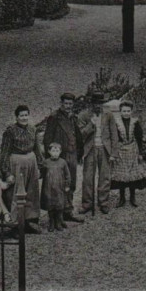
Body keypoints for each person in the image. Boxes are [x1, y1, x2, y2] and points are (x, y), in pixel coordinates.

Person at [0, 105, 44, 234]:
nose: (24, 118)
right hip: (16, 162)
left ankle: (29, 221)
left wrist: (40, 165)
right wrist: (6, 172)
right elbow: (5, 152)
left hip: (31, 161)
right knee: (17, 193)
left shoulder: (32, 129)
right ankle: (15, 224)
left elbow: (37, 148)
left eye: (26, 115)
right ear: (17, 117)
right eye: (21, 115)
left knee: (32, 191)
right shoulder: (10, 131)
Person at [43, 92, 85, 223]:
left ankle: (68, 210)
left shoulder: (73, 117)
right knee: (57, 185)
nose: (68, 106)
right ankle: (56, 214)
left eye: (70, 104)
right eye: (65, 103)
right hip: (60, 156)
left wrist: (79, 152)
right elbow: (47, 139)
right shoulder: (54, 117)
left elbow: (77, 136)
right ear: (61, 103)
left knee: (71, 183)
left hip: (72, 154)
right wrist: (49, 158)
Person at [78, 91, 117, 215]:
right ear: (91, 103)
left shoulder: (109, 115)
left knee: (104, 177)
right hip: (90, 150)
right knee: (88, 178)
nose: (98, 106)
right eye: (95, 103)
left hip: (105, 149)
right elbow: (80, 135)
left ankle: (103, 202)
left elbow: (114, 135)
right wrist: (91, 124)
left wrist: (113, 153)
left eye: (100, 103)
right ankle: (87, 204)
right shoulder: (84, 115)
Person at [111, 101, 146, 208]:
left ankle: (132, 197)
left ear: (131, 112)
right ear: (120, 112)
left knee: (132, 174)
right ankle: (122, 197)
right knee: (121, 175)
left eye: (128, 111)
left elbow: (139, 138)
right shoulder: (116, 122)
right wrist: (114, 152)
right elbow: (114, 138)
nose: (126, 113)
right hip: (120, 150)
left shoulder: (135, 122)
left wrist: (140, 153)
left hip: (132, 149)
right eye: (124, 111)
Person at [41, 142, 71, 232]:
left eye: (57, 151)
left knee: (59, 205)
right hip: (48, 188)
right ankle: (51, 222)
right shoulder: (46, 162)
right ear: (49, 152)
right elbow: (42, 174)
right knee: (50, 205)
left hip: (59, 188)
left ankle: (58, 222)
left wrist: (67, 185)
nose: (55, 153)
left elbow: (67, 175)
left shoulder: (63, 162)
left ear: (60, 152)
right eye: (53, 151)